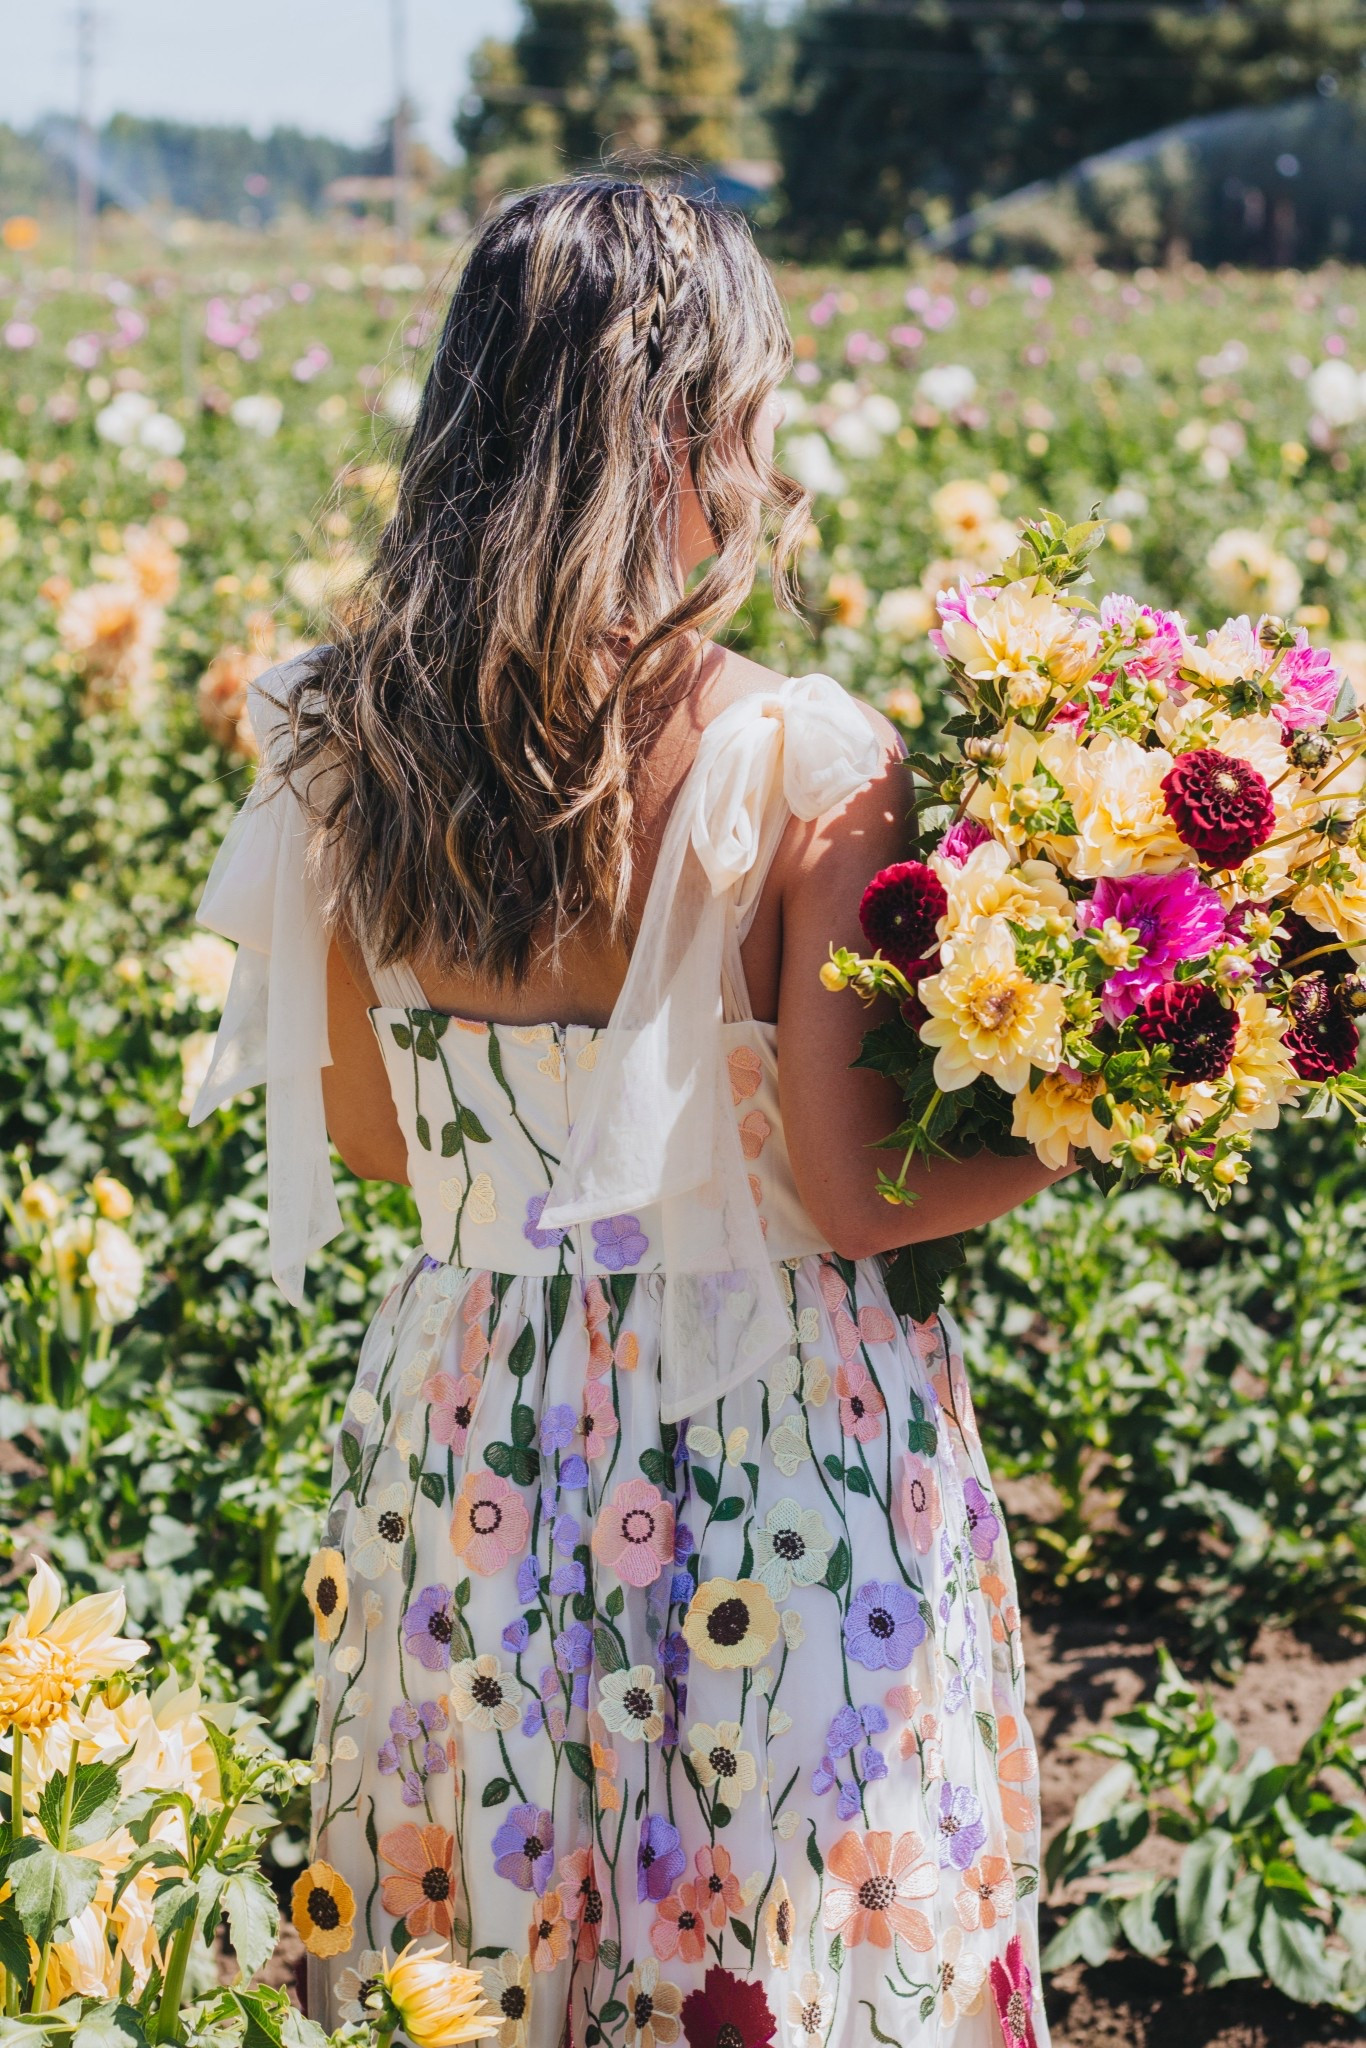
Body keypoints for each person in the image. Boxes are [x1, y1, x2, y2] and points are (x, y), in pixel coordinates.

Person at [192, 176, 1068, 2048]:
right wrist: (1070, 1118)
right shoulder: (803, 756)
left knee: (485, 1887)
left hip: (470, 1414)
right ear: (682, 427)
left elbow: (377, 1144)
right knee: (773, 1879)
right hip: (759, 1417)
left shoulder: (339, 738)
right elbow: (850, 1193)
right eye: (748, 404)